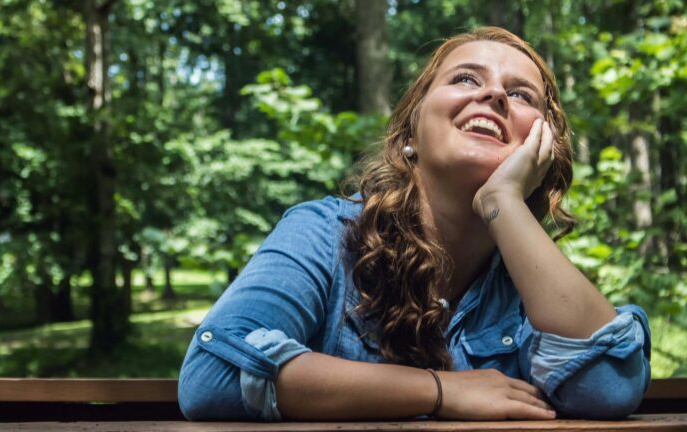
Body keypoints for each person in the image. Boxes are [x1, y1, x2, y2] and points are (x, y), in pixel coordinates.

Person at [177, 26, 651, 421]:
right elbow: (212, 375)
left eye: (520, 93)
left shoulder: (534, 289)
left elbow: (607, 389)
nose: (492, 95)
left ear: (543, 146)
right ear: (410, 131)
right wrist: (439, 391)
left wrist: (503, 200)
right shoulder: (323, 233)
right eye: (466, 79)